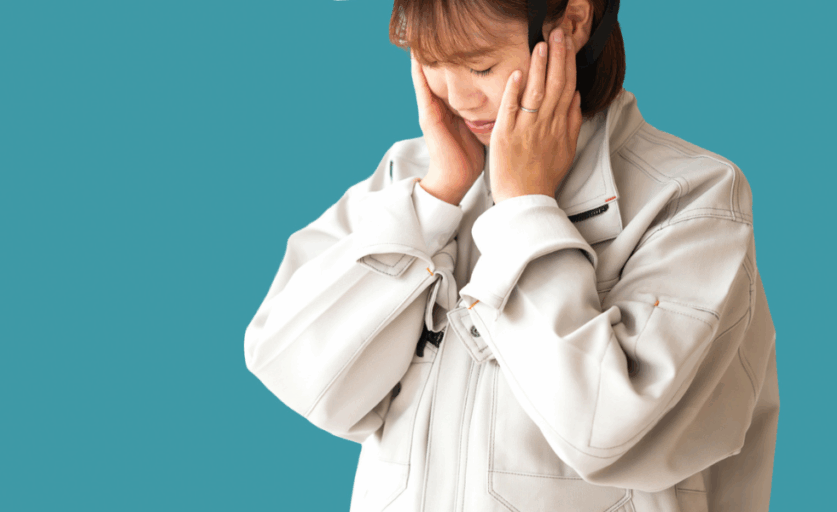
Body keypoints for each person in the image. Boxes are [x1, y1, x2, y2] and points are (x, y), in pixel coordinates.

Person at [243, 0, 780, 510]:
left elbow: (607, 435)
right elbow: (296, 375)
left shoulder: (692, 199)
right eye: (432, 61)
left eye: (479, 66)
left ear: (572, 22)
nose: (457, 97)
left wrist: (525, 206)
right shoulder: (408, 179)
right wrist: (435, 199)